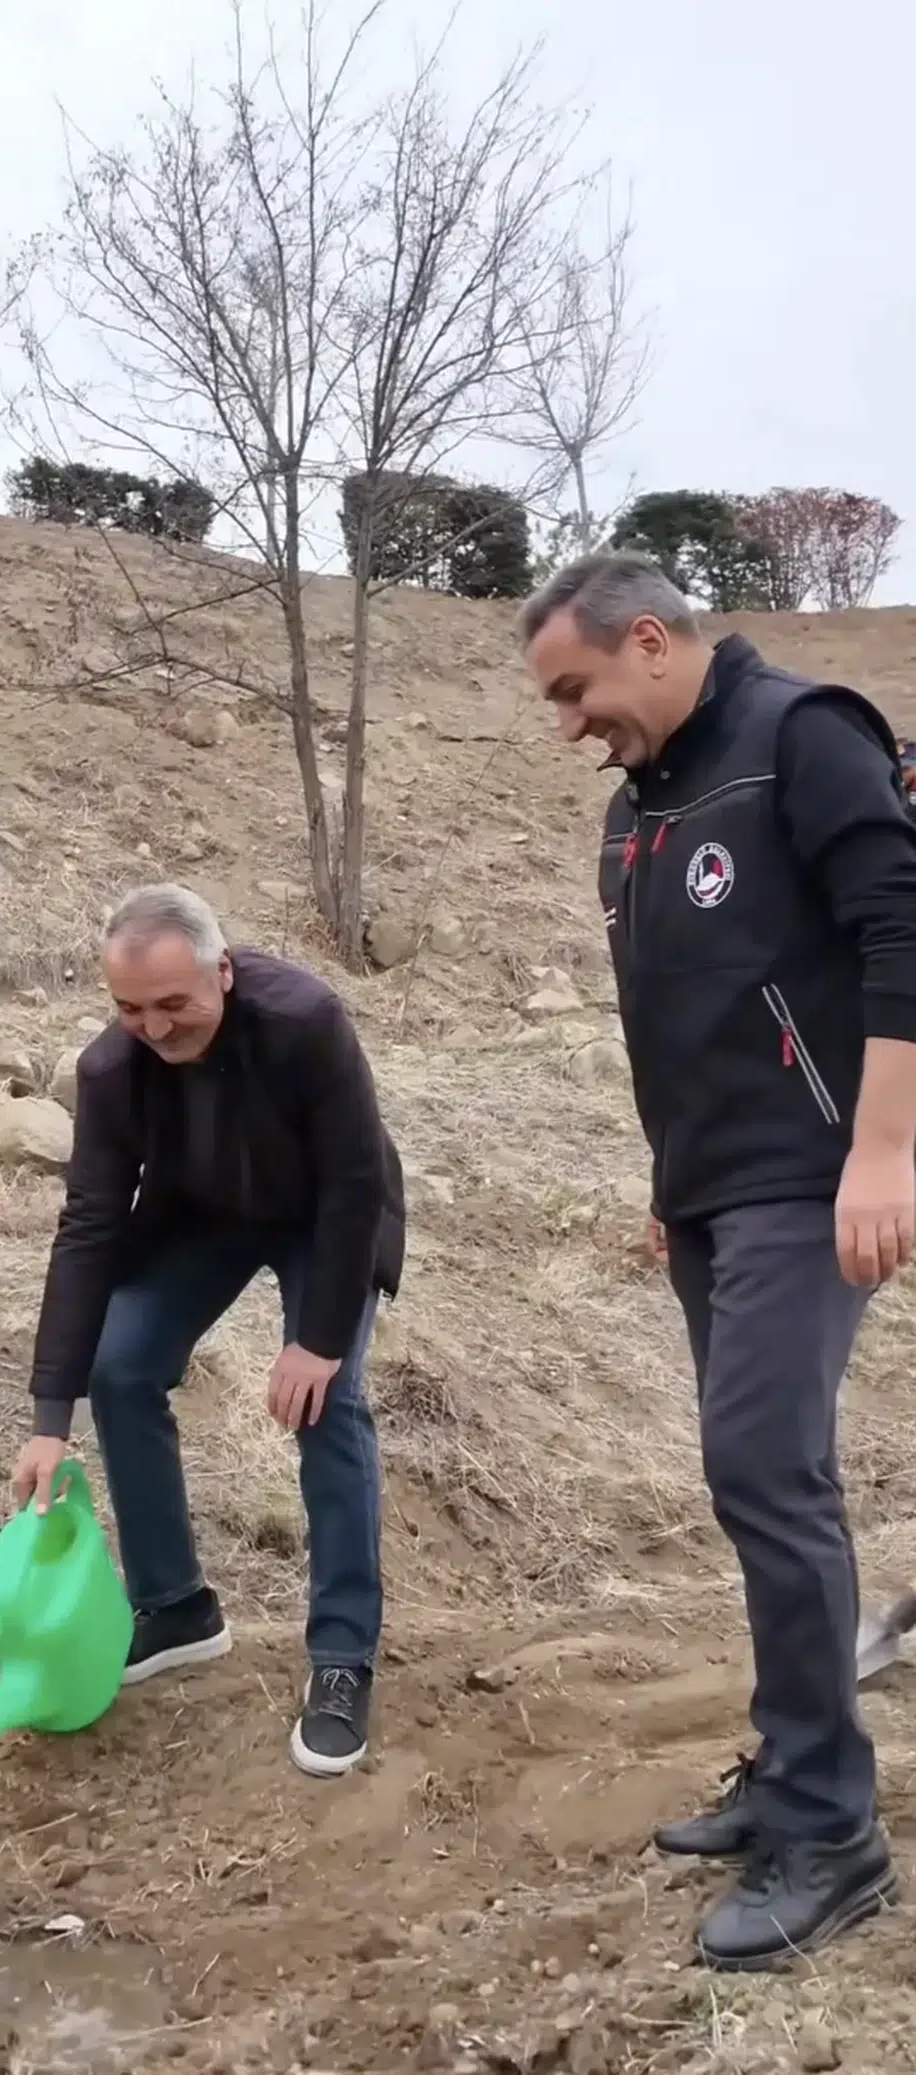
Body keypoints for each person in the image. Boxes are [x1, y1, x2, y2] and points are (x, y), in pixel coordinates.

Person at [518, 549, 916, 1971]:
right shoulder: (644, 805)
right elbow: (680, 1009)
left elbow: (898, 928)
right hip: (710, 1189)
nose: (568, 722)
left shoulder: (800, 735)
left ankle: (836, 1832)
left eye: (577, 689)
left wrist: (883, 1151)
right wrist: (666, 1180)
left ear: (649, 641)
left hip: (815, 1178)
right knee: (748, 1475)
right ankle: (792, 1760)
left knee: (767, 1466)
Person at [11, 883, 405, 1778]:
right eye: (129, 1008)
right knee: (120, 1366)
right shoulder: (112, 1070)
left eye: (173, 1004)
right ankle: (176, 1607)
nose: (152, 1027)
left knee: (327, 1403)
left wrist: (317, 1340)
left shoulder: (306, 1021)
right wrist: (47, 1415)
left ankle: (342, 1657)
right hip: (205, 1214)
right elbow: (90, 1228)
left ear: (223, 972)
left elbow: (352, 1182)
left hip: (324, 1217)